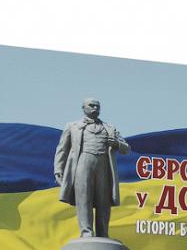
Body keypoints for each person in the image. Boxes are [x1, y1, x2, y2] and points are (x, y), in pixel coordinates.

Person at [54, 98, 130, 238]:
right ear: (83, 108)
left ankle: (103, 234)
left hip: (104, 165)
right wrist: (58, 169)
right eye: (92, 105)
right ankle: (86, 232)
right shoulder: (73, 126)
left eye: (98, 106)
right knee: (84, 198)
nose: (95, 108)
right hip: (83, 162)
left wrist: (117, 144)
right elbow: (62, 149)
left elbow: (127, 149)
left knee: (103, 201)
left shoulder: (109, 127)